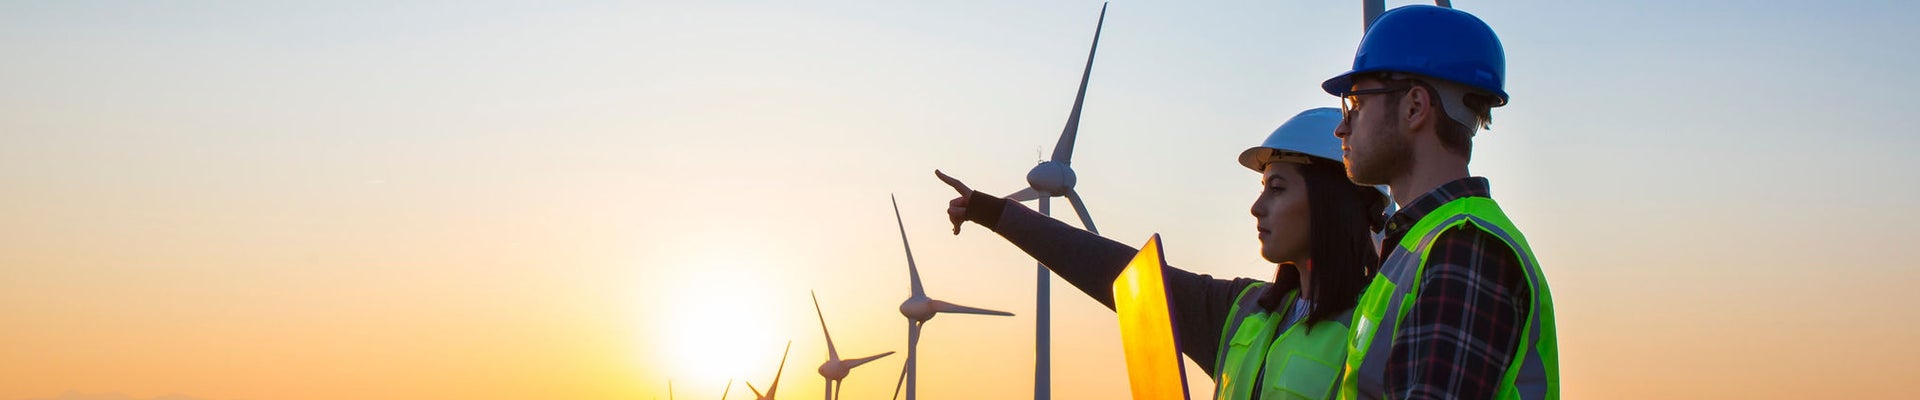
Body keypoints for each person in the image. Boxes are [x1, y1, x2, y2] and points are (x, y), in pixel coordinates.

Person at [936, 108, 1388, 400]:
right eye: (1262, 188)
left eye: (1277, 188)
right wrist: (995, 212)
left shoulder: (1381, 327)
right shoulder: (1241, 312)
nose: (1257, 207)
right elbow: (1111, 269)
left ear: (1330, 204)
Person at [1319, 5, 1560, 400]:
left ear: (1415, 107)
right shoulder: (1426, 244)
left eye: (1357, 104)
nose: (1341, 127)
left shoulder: (1465, 248)